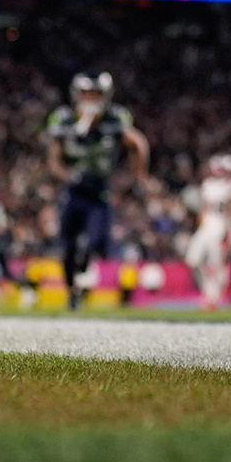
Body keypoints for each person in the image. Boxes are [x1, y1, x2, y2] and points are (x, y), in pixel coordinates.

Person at [44, 72, 149, 308]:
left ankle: (83, 270)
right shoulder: (64, 119)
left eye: (96, 94)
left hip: (100, 189)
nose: (91, 99)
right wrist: (68, 175)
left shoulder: (115, 118)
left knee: (98, 241)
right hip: (74, 189)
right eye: (87, 94)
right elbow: (54, 159)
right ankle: (72, 291)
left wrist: (137, 176)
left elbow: (138, 144)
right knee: (67, 245)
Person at [184, 151, 231, 308]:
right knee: (192, 259)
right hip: (208, 225)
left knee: (216, 262)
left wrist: (229, 229)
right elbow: (204, 209)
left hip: (223, 224)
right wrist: (200, 226)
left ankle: (213, 298)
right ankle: (208, 291)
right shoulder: (209, 184)